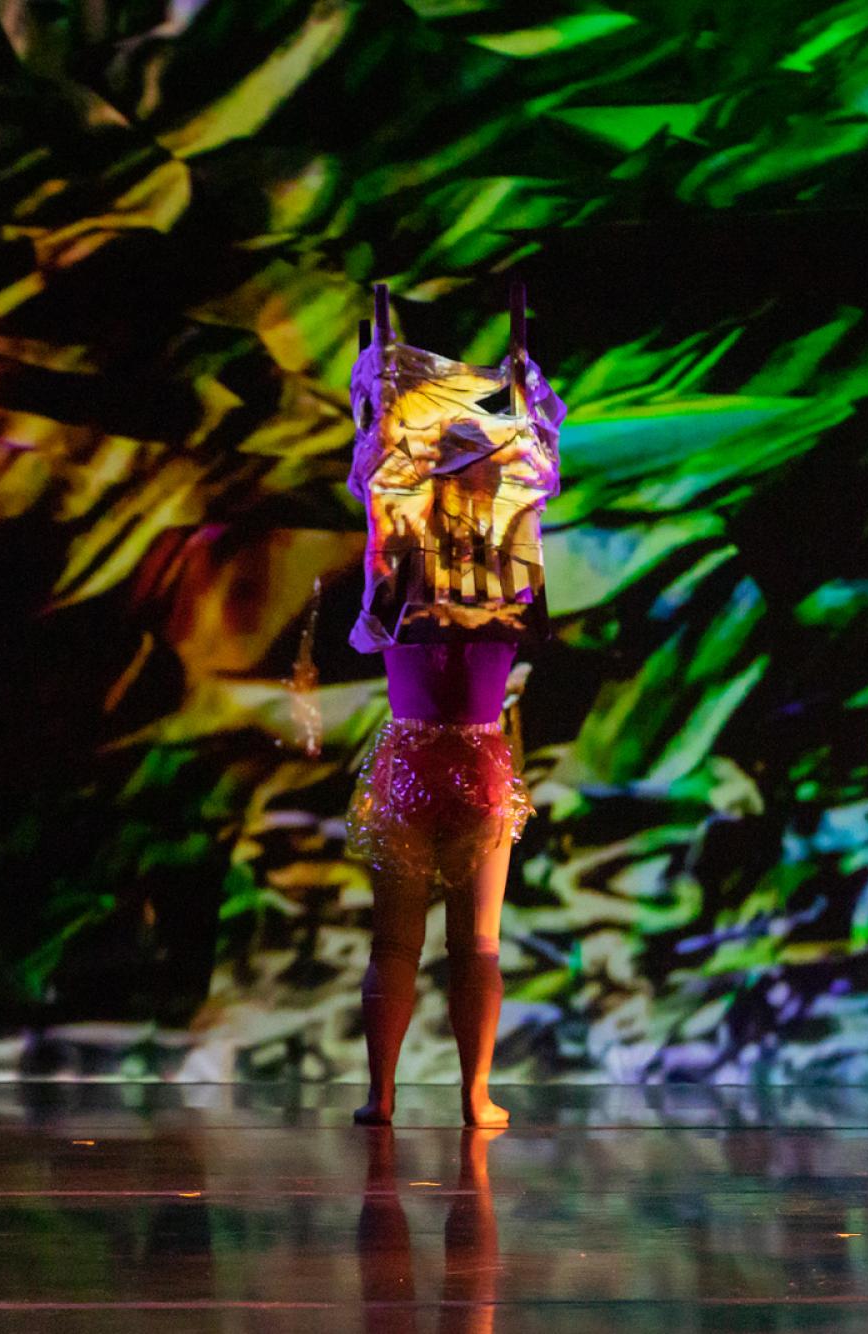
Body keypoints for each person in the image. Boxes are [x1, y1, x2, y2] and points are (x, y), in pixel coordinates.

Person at [345, 283, 561, 1129]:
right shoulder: (515, 564)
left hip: (409, 764)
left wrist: (390, 401)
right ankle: (473, 1098)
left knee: (394, 942)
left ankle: (383, 1095)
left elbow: (381, 472)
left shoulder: (397, 555)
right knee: (475, 941)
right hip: (476, 763)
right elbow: (531, 486)